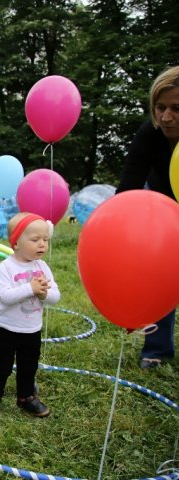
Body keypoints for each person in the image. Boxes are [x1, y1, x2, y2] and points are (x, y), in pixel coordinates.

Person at [117, 65, 179, 369]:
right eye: (160, 107)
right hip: (162, 206)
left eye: (176, 108)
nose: (166, 117)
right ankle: (157, 349)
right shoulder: (149, 133)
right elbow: (128, 186)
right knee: (162, 273)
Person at [0, 212, 60, 417]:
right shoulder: (6, 267)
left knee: (29, 364)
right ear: (16, 243)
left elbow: (55, 296)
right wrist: (31, 288)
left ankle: (26, 397)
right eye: (35, 240)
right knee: (1, 363)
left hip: (31, 328)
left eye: (45, 239)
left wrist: (44, 294)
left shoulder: (43, 267)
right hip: (6, 327)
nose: (42, 244)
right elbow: (5, 296)